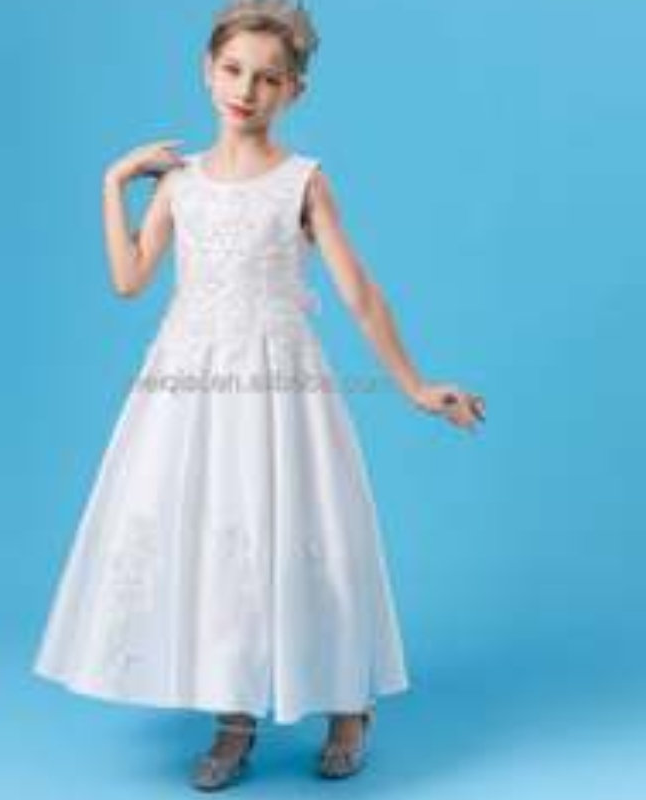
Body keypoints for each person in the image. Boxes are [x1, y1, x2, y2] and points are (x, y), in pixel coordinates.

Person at [33, 0, 486, 790]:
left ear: (294, 91)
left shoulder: (301, 182)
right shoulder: (179, 186)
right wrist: (113, 184)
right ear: (207, 72)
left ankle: (348, 703)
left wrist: (414, 384)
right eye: (234, 70)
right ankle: (233, 714)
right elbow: (129, 279)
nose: (247, 90)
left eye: (269, 78)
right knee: (215, 535)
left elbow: (358, 292)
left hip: (281, 387)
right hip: (188, 391)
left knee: (307, 532)